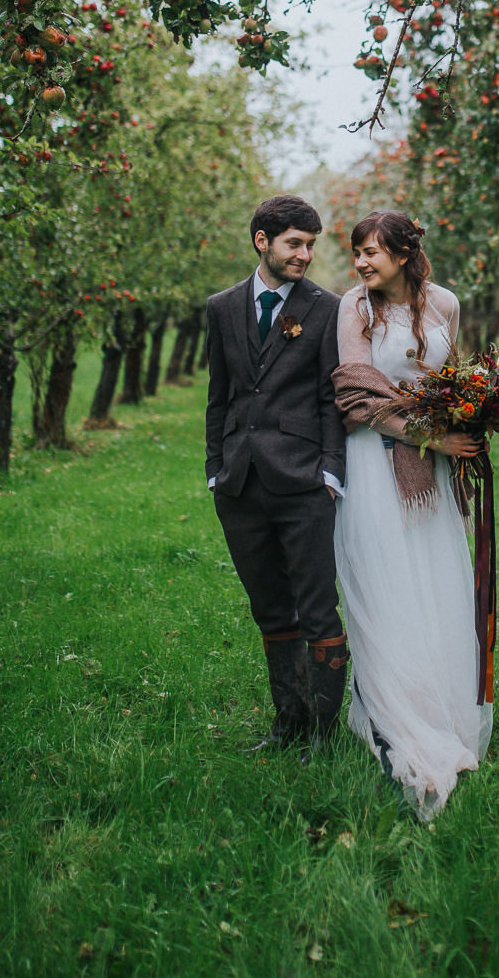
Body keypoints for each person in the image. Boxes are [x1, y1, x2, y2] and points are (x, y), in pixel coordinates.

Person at [331, 210, 493, 819]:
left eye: (373, 252)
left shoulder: (445, 304)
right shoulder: (356, 308)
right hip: (376, 465)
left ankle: (440, 702)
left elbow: (452, 381)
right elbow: (356, 396)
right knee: (388, 590)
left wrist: (472, 417)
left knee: (437, 587)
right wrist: (431, 438)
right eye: (357, 252)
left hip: (435, 473)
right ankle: (393, 714)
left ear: (404, 254)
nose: (362, 263)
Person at [205, 195, 347, 751]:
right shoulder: (221, 307)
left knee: (316, 609)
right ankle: (289, 723)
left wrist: (331, 473)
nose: (305, 254)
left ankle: (325, 733)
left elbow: (330, 399)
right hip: (240, 484)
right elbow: (219, 395)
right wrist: (215, 469)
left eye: (311, 245)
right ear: (262, 240)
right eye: (295, 243)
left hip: (304, 482)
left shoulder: (326, 308)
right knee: (269, 608)